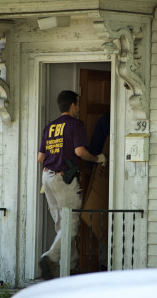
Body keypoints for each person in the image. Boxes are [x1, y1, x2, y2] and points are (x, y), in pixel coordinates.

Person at [38, 90, 106, 280]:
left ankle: (70, 265)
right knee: (71, 226)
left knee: (61, 224)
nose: (78, 109)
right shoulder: (76, 124)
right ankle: (50, 258)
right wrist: (97, 158)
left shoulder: (49, 127)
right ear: (73, 105)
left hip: (47, 178)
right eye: (77, 105)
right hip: (64, 179)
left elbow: (40, 157)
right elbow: (79, 151)